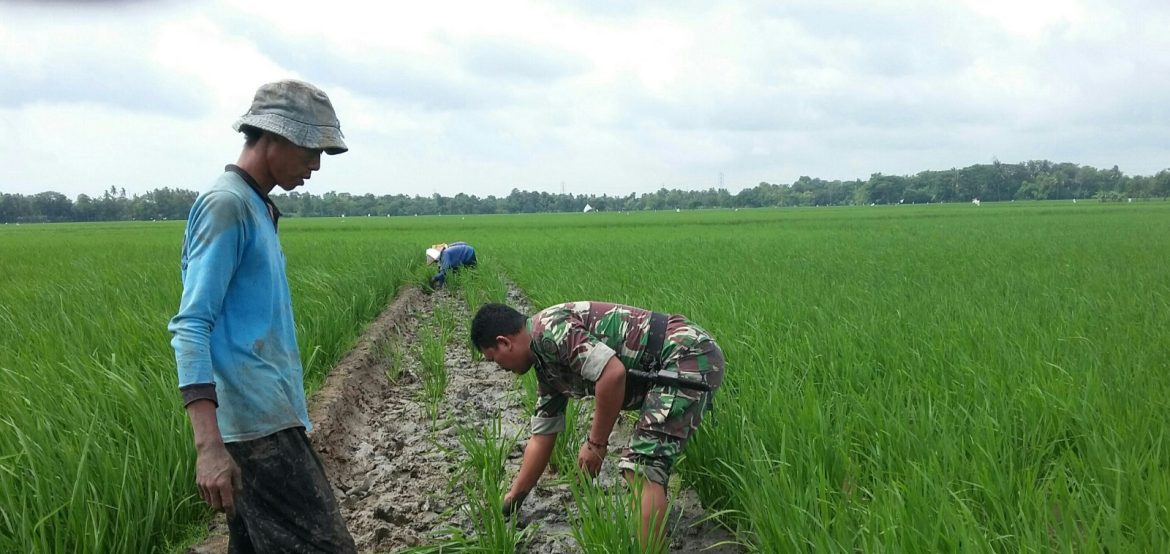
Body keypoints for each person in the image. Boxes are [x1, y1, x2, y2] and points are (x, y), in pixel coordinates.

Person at [168, 79, 356, 553]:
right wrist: (208, 446)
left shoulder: (254, 206)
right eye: (311, 149)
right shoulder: (226, 205)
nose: (315, 165)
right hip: (257, 430)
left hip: (269, 417)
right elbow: (191, 325)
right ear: (271, 136)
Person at [470, 301, 725, 549]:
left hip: (687, 355)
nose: (500, 368)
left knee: (642, 467)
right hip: (668, 362)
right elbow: (542, 436)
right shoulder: (545, 366)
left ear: (504, 342)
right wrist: (513, 499)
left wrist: (596, 444)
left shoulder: (550, 330)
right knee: (642, 466)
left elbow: (612, 374)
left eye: (494, 359)